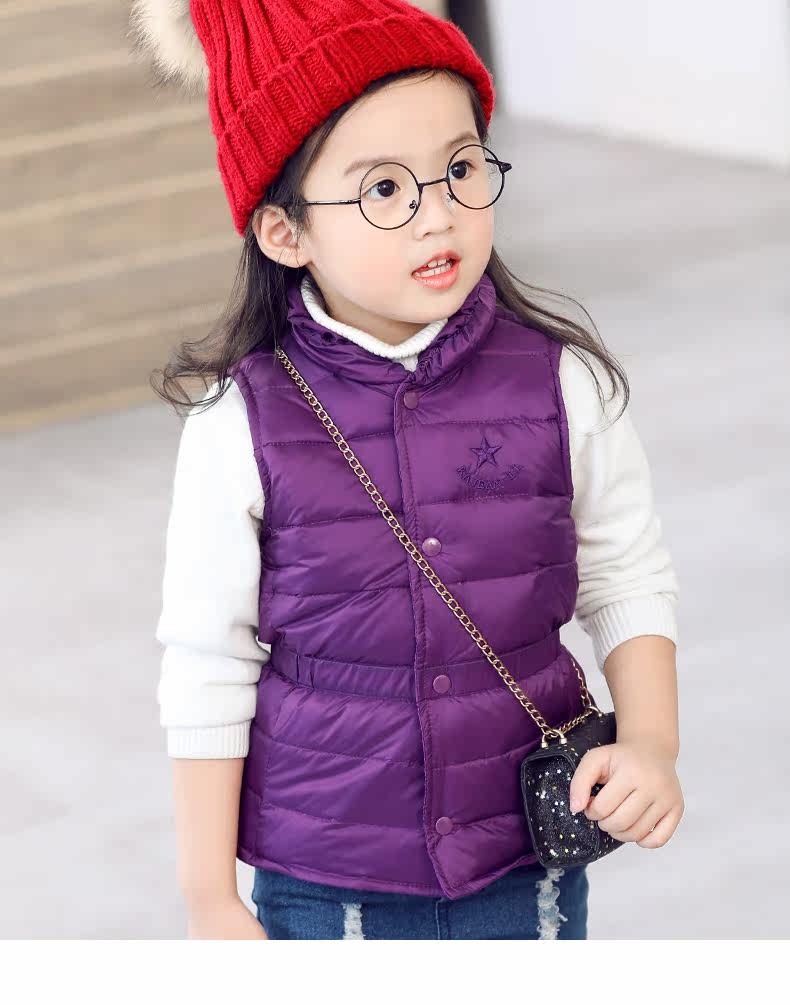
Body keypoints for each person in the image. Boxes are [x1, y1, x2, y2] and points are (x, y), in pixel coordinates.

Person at [131, 0, 684, 940]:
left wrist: (654, 744)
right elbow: (207, 661)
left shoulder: (565, 384)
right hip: (323, 882)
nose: (439, 215)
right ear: (284, 231)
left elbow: (626, 574)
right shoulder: (240, 425)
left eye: (461, 168)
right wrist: (209, 895)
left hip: (521, 867)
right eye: (384, 189)